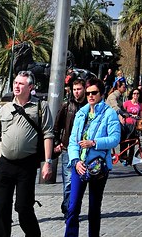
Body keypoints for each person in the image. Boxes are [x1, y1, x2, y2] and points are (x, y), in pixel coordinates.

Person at [0, 70, 54, 237]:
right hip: (5, 164)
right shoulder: (5, 109)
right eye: (15, 83)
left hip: (27, 165)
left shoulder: (40, 107)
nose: (17, 86)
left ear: (30, 87)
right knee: (0, 205)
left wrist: (47, 162)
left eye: (21, 83)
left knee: (23, 207)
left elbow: (48, 134)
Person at [64, 75, 121, 237]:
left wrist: (94, 143)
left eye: (94, 93)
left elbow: (115, 138)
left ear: (101, 94)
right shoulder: (81, 113)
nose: (90, 96)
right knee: (73, 206)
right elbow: (73, 140)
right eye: (88, 92)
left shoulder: (109, 114)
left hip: (97, 167)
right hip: (79, 166)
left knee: (94, 207)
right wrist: (75, 161)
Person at [53, 75, 87, 218]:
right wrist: (58, 143)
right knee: (68, 182)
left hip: (84, 149)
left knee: (78, 182)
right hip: (68, 149)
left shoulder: (89, 107)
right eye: (74, 89)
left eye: (79, 89)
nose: (76, 92)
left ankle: (72, 207)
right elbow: (57, 126)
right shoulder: (67, 106)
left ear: (84, 89)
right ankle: (69, 209)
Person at [105, 77, 128, 156]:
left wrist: (130, 115)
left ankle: (123, 154)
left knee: (125, 131)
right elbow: (116, 108)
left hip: (113, 119)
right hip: (109, 120)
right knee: (123, 131)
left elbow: (122, 109)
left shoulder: (119, 97)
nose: (125, 88)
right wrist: (122, 114)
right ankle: (122, 154)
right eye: (124, 87)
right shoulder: (113, 96)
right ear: (119, 87)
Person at [122, 87, 142, 165]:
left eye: (137, 94)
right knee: (124, 141)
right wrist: (122, 122)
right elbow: (122, 113)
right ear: (132, 95)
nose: (136, 95)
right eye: (134, 93)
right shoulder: (127, 103)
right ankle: (123, 157)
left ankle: (130, 159)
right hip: (127, 125)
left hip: (134, 126)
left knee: (132, 143)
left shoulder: (140, 105)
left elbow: (140, 117)